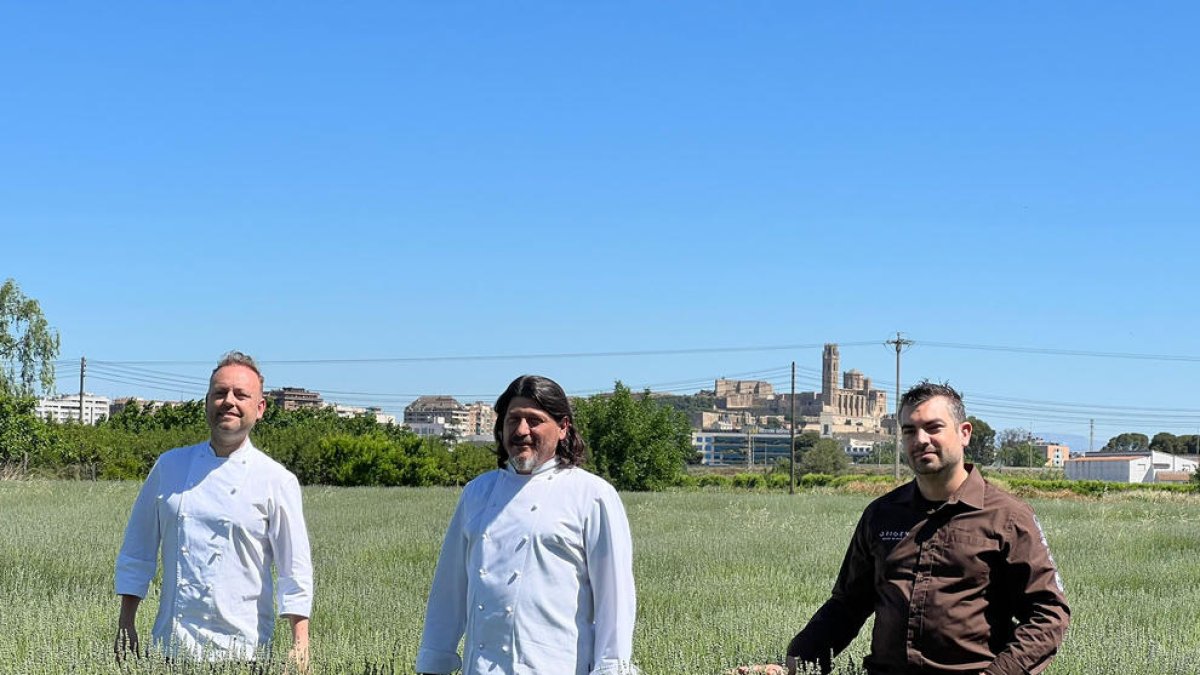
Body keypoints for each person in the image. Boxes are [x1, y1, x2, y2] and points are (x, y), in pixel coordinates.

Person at [784, 381, 1069, 674]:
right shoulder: (882, 514)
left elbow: (1048, 614)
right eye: (909, 431)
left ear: (964, 433)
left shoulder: (1007, 517)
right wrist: (793, 664)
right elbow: (847, 606)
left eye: (934, 427)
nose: (920, 439)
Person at [416, 374, 639, 675]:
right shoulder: (477, 493)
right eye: (513, 419)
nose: (521, 431)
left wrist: (612, 669)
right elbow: (449, 591)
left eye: (534, 420)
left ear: (562, 428)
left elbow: (615, 600)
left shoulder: (592, 495)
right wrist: (434, 662)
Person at [114, 351, 313, 665]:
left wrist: (300, 644)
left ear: (260, 408)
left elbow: (295, 569)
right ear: (207, 402)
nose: (229, 401)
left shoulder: (277, 480)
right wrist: (126, 622)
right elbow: (138, 550)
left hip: (246, 651)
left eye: (241, 395)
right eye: (220, 393)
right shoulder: (170, 467)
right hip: (171, 648)